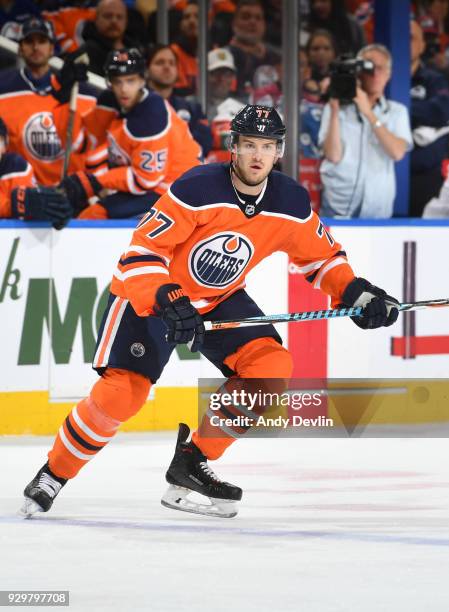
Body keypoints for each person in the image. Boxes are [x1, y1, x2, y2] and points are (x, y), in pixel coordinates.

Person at [20, 104, 399, 520]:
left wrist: (358, 295)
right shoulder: (196, 188)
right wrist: (167, 299)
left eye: (267, 146)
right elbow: (140, 254)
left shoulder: (290, 200)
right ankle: (53, 475)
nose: (258, 155)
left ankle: (191, 461)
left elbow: (322, 259)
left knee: (270, 368)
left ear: (279, 152)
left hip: (218, 297)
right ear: (233, 148)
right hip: (149, 297)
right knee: (123, 394)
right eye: (249, 144)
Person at [61, 47, 201, 219]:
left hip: (175, 188)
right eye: (117, 82)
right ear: (109, 82)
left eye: (130, 81)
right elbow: (81, 143)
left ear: (142, 80)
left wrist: (96, 182)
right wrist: (63, 94)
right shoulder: (110, 101)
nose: (124, 89)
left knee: (93, 215)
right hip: (147, 185)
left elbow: (146, 180)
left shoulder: (151, 115)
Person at [0, 16, 97, 187]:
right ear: (20, 48)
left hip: (73, 191)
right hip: (22, 190)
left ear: (52, 48)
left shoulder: (80, 91)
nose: (36, 47)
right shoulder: (3, 88)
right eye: (29, 41)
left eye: (42, 41)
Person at [319, 43, 413, 218]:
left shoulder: (396, 112)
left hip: (378, 209)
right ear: (358, 71)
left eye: (380, 68)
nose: (375, 73)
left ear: (388, 74)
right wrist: (333, 110)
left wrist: (369, 113)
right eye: (369, 66)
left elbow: (397, 152)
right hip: (337, 207)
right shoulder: (336, 108)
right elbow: (333, 155)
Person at [0, 114, 72, 227]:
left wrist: (49, 210)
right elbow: (14, 208)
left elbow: (23, 213)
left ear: (5, 143)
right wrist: (11, 207)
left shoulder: (14, 165)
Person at [410, 19, 449, 216]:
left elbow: (440, 112)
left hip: (426, 173)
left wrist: (399, 111)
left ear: (422, 45)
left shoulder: (435, 78)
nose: (407, 43)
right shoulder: (379, 77)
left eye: (412, 38)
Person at [146, 43, 212, 158]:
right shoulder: (136, 105)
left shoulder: (192, 108)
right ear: (147, 70)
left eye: (172, 63)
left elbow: (205, 143)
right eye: (160, 62)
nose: (167, 67)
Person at [227, 0, 281, 99]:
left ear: (264, 24)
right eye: (246, 17)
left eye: (258, 18)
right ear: (234, 23)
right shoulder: (225, 57)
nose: (252, 22)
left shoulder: (277, 58)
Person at [206, 47, 244, 163]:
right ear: (205, 76)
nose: (221, 79)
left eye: (227, 74)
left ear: (233, 78)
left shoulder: (243, 110)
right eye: (216, 73)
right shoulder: (192, 106)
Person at [82, 0, 134, 77]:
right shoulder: (87, 51)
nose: (114, 21)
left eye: (119, 17)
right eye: (108, 16)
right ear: (96, 19)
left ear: (126, 21)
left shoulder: (135, 50)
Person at [171, 0, 199, 96]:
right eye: (186, 17)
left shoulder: (214, 52)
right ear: (180, 24)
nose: (191, 21)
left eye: (197, 16)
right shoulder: (173, 52)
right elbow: (180, 92)